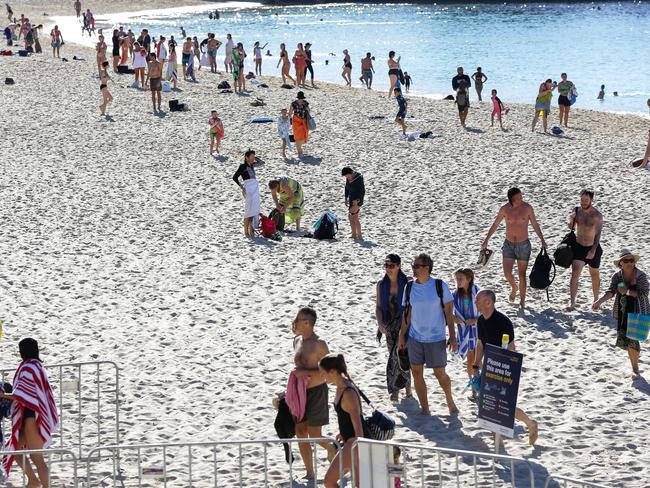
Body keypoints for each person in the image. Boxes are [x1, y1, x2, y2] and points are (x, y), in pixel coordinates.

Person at [473, 290, 539, 445]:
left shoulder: (503, 322)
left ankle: (530, 424)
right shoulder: (480, 320)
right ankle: (498, 440)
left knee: (504, 405)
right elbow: (480, 344)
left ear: (488, 302)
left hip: (503, 368)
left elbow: (511, 348)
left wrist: (509, 372)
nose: (475, 302)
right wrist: (476, 364)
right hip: (489, 366)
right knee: (487, 403)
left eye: (478, 300)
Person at [398, 253, 458, 415]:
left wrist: (452, 336)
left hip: (436, 338)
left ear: (427, 268)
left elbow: (449, 314)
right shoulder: (409, 287)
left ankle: (450, 401)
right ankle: (425, 408)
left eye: (416, 266)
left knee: (440, 374)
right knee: (417, 372)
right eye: (413, 266)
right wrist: (402, 336)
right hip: (415, 337)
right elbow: (407, 314)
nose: (413, 269)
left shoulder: (440, 285)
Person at [0, 338, 59, 488]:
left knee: (36, 457)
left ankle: (45, 486)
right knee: (16, 452)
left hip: (31, 416)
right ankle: (33, 480)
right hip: (30, 415)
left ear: (22, 352)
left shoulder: (28, 368)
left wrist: (3, 396)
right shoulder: (37, 366)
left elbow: (21, 395)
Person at [481, 187, 547, 308]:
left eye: (521, 197)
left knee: (522, 274)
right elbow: (495, 224)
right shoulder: (505, 209)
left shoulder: (527, 208)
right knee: (507, 273)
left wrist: (542, 239)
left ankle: (522, 301)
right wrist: (486, 240)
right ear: (511, 199)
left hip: (523, 245)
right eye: (517, 198)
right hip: (508, 244)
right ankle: (514, 287)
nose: (520, 200)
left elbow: (535, 224)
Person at [291, 308, 336, 481]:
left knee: (315, 435)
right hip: (299, 392)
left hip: (317, 392)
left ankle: (333, 447)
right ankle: (310, 472)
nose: (295, 322)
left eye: (298, 319)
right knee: (300, 431)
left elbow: (329, 371)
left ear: (308, 323)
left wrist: (305, 373)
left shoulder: (320, 344)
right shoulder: (296, 341)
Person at [593, 250, 649, 380]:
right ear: (620, 264)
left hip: (639, 310)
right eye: (626, 261)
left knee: (633, 338)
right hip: (623, 311)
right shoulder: (617, 276)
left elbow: (644, 293)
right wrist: (599, 301)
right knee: (627, 339)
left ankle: (635, 369)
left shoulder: (640, 275)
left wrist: (628, 291)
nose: (630, 263)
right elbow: (612, 291)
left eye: (632, 260)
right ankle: (634, 367)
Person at [320, 353, 365, 488]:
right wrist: (342, 432)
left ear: (333, 371)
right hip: (349, 440)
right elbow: (346, 416)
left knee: (329, 481)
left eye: (323, 373)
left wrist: (357, 450)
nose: (321, 376)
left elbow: (358, 425)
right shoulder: (341, 387)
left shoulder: (348, 392)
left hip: (354, 443)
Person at [375, 254, 412, 402]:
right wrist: (379, 323)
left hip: (405, 323)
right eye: (386, 265)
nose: (388, 269)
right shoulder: (381, 284)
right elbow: (378, 307)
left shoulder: (408, 282)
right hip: (389, 324)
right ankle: (398, 389)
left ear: (399, 266)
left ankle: (404, 389)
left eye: (391, 266)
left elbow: (412, 305)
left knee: (403, 355)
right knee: (393, 356)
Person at [567, 190, 603, 310]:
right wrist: (571, 219)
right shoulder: (576, 210)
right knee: (575, 272)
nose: (583, 202)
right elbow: (570, 227)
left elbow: (598, 235)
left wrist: (593, 250)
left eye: (586, 200)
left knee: (594, 274)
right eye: (582, 200)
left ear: (591, 200)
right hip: (579, 246)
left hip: (593, 247)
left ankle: (596, 299)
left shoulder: (597, 215)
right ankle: (572, 302)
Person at [453, 268, 480, 383]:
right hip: (463, 330)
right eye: (456, 279)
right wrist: (454, 318)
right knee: (471, 360)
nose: (458, 281)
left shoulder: (477, 292)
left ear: (469, 279)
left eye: (461, 279)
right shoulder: (454, 295)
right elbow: (447, 312)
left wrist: (475, 320)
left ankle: (479, 382)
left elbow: (487, 312)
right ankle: (473, 385)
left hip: (478, 330)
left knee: (478, 359)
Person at [233, 150, 260, 238]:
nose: (253, 159)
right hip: (248, 188)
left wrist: (255, 158)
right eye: (251, 157)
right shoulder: (243, 166)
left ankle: (250, 230)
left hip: (255, 189)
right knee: (248, 211)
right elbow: (235, 177)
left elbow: (262, 163)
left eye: (254, 157)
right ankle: (246, 232)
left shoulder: (252, 165)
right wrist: (241, 187)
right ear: (246, 157)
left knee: (254, 209)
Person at [342, 167, 364, 240]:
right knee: (351, 217)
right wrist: (346, 198)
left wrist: (358, 200)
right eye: (345, 176)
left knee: (354, 217)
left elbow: (362, 191)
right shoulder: (348, 178)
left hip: (357, 200)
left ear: (350, 173)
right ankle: (354, 234)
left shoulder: (359, 178)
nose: (346, 177)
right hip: (351, 199)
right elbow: (346, 187)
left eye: (347, 175)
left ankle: (359, 235)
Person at [289, 91, 310, 158]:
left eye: (302, 98)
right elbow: (290, 113)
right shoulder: (294, 104)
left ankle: (299, 150)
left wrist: (307, 109)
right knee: (297, 137)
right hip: (296, 122)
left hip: (304, 121)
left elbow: (309, 110)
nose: (301, 100)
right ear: (298, 98)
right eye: (300, 98)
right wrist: (289, 120)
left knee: (303, 136)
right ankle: (299, 152)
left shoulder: (305, 103)